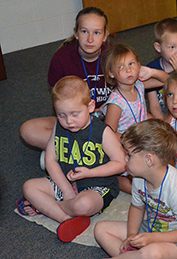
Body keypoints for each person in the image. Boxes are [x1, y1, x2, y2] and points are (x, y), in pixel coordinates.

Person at [19, 7, 166, 165]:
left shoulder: (113, 56)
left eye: (96, 33)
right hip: (77, 119)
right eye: (84, 32)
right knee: (28, 130)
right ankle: (83, 153)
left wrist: (152, 72)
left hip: (113, 119)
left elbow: (154, 81)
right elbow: (59, 102)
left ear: (105, 35)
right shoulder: (61, 59)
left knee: (154, 122)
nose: (90, 39)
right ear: (76, 33)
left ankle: (66, 152)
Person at [72, 119, 177, 259]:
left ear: (149, 160)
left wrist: (152, 238)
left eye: (129, 155)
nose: (125, 159)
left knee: (152, 253)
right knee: (101, 229)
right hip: (150, 228)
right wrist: (131, 235)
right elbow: (137, 207)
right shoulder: (139, 177)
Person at [17, 76, 126, 243]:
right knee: (29, 187)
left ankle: (46, 208)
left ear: (90, 106)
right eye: (61, 115)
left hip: (98, 186)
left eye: (75, 114)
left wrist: (90, 172)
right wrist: (66, 190)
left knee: (82, 205)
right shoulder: (59, 127)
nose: (69, 121)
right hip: (65, 182)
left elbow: (120, 163)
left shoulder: (103, 132)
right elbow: (51, 160)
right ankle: (65, 219)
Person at [102, 43, 154, 194]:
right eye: (121, 67)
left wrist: (152, 71)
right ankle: (115, 180)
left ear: (138, 66)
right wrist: (129, 141)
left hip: (142, 138)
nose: (128, 70)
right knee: (133, 179)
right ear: (111, 73)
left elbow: (166, 80)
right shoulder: (116, 103)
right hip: (124, 144)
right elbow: (108, 134)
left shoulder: (139, 85)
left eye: (131, 64)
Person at [146, 18, 177, 119]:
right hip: (163, 114)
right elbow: (154, 106)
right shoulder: (152, 69)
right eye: (172, 47)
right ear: (158, 48)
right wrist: (164, 125)